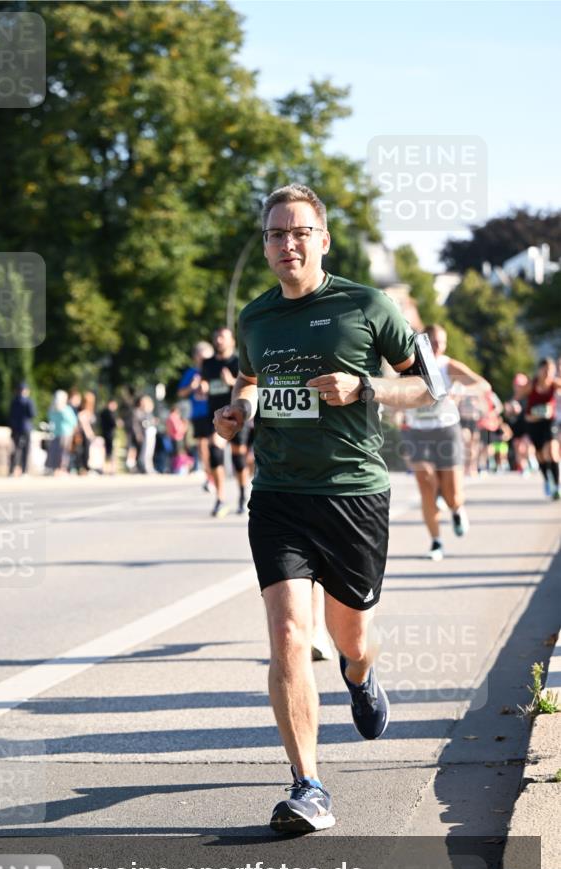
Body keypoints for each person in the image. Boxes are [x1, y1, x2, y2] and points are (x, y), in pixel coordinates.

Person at [214, 183, 440, 834]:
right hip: (279, 495)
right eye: (274, 234)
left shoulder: (367, 306)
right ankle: (307, 784)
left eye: (298, 232)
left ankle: (361, 675)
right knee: (287, 634)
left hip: (352, 495)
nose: (286, 244)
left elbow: (430, 385)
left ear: (322, 240)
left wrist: (364, 385)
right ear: (265, 247)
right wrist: (236, 415)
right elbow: (250, 382)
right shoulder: (256, 318)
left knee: (352, 638)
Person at [400, 324, 490, 561]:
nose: (439, 346)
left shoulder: (447, 366)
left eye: (443, 342)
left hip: (446, 431)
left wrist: (459, 392)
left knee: (452, 494)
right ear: (424, 342)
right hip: (418, 432)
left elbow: (483, 385)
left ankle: (457, 509)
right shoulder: (408, 364)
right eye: (434, 341)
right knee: (426, 486)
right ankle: (436, 541)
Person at [202, 327, 250, 517]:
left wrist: (231, 382)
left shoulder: (239, 362)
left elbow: (248, 385)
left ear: (232, 341)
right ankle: (220, 499)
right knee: (215, 449)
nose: (218, 340)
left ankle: (242, 494)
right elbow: (207, 382)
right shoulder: (208, 363)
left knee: (239, 458)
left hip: (237, 414)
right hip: (216, 415)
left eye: (222, 337)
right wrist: (202, 387)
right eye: (216, 337)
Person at [177, 342, 214, 490]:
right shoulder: (191, 373)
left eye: (205, 356)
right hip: (199, 414)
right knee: (203, 447)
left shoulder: (215, 371)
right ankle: (209, 476)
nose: (202, 360)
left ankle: (217, 473)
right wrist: (191, 387)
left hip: (215, 412)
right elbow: (180, 393)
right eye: (199, 356)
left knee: (215, 446)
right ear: (195, 357)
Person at [524, 357, 561, 500]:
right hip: (533, 424)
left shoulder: (554, 384)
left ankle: (557, 485)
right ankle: (547, 480)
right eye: (545, 370)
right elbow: (518, 396)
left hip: (549, 422)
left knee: (552, 451)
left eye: (550, 371)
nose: (547, 374)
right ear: (539, 370)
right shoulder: (532, 384)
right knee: (540, 455)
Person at [46, 390, 77, 475]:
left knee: (56, 452)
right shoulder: (66, 409)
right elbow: (73, 421)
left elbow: (50, 418)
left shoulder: (52, 409)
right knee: (64, 452)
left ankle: (55, 469)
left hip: (56, 433)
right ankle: (62, 469)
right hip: (66, 433)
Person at [8, 382, 36, 476]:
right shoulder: (28, 401)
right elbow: (32, 414)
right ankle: (24, 471)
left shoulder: (14, 401)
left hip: (16, 428)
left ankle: (12, 470)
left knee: (16, 450)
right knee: (24, 450)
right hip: (25, 428)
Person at [76, 391, 97, 474]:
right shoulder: (83, 412)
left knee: (87, 451)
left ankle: (86, 467)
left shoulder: (90, 411)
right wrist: (90, 434)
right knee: (85, 451)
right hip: (85, 435)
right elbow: (85, 425)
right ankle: (84, 468)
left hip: (88, 434)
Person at [99, 399, 118, 475]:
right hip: (109, 434)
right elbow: (113, 423)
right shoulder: (109, 413)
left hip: (105, 433)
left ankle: (106, 468)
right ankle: (109, 469)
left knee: (107, 452)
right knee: (109, 452)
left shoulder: (103, 412)